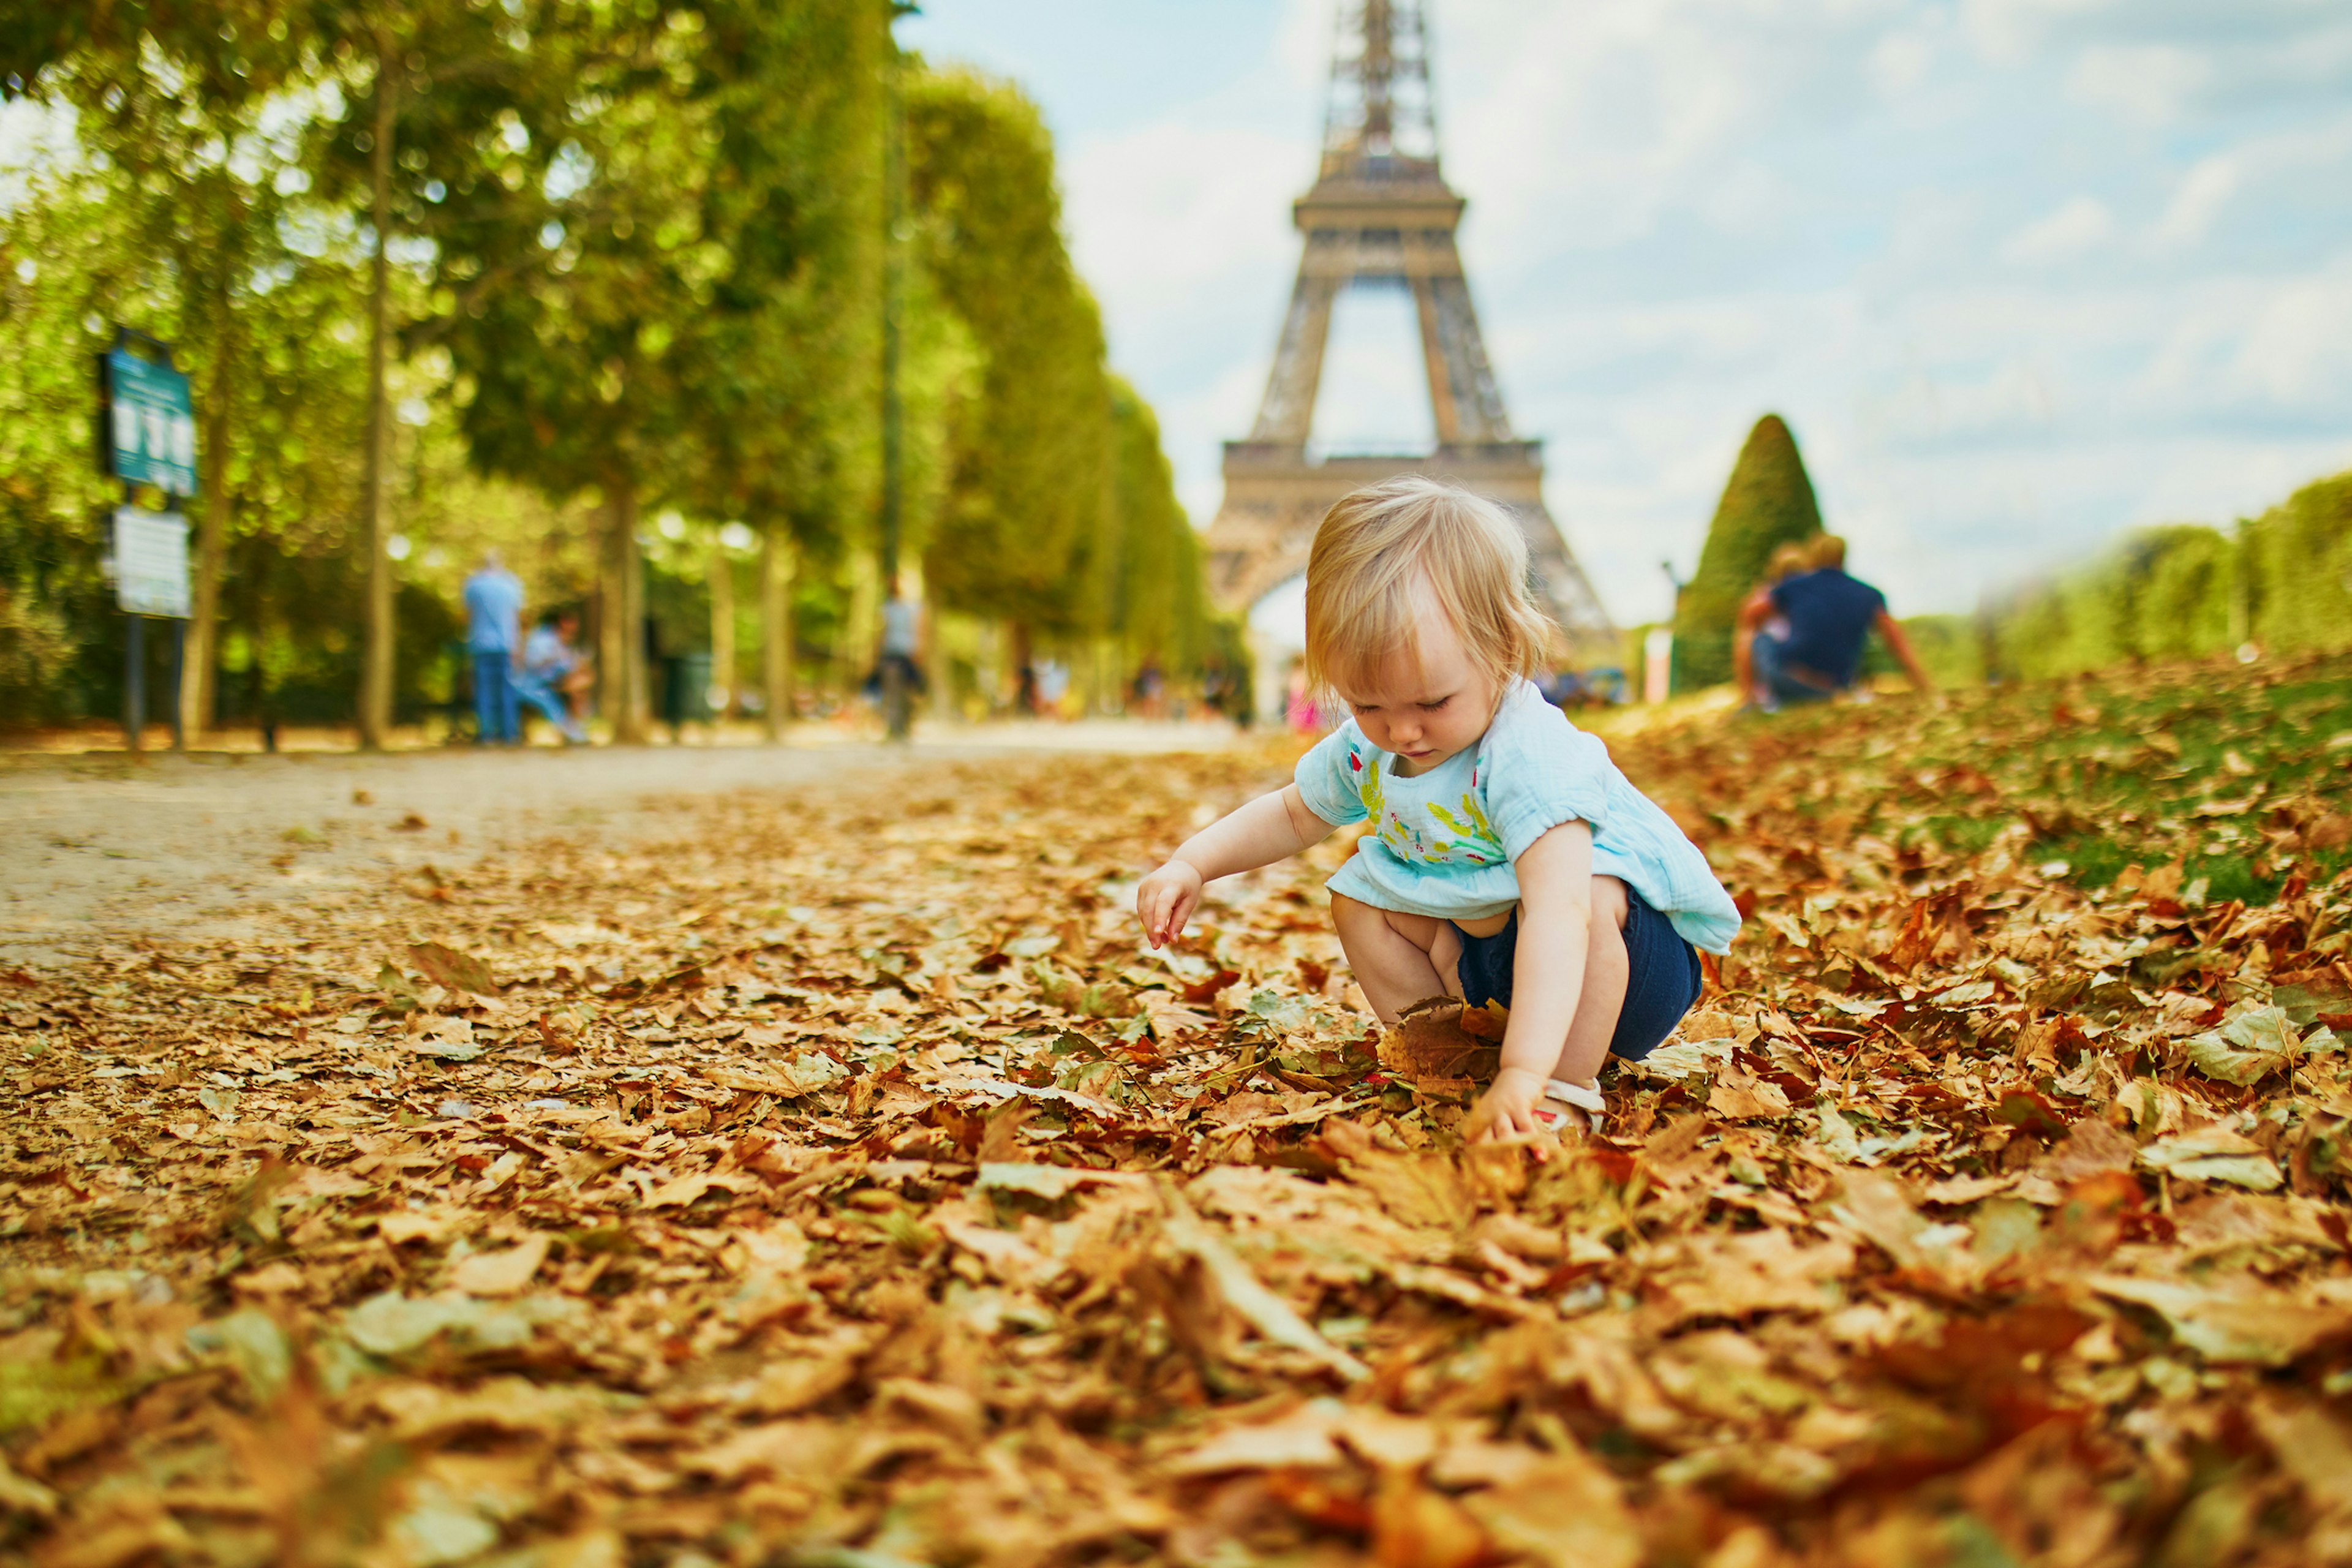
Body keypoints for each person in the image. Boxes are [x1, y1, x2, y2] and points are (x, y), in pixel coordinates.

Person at [1135, 477, 1740, 1139]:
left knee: (1591, 892)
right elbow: (1292, 814)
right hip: (1492, 964)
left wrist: (1527, 1068)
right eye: (1368, 705)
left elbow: (1559, 917)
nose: (1403, 732)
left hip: (1622, 971)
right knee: (1358, 896)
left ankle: (1560, 1088)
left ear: (1503, 651)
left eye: (1431, 704)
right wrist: (1192, 864)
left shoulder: (1528, 754)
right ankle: (1442, 1047)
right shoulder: (1373, 748)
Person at [1733, 535, 1932, 710]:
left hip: (1787, 681)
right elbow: (1898, 644)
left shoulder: (1795, 586)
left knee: (1760, 638)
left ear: (1814, 557)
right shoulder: (1868, 594)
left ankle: (1749, 701)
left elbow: (1749, 614)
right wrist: (1925, 687)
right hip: (1836, 687)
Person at [462, 551, 524, 746]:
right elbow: (516, 618)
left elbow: (468, 615)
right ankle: (509, 735)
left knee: (483, 691)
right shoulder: (512, 585)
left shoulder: (474, 585)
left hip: (481, 645)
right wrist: (518, 646)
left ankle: (486, 735)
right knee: (508, 691)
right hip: (506, 645)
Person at [517, 611, 589, 744]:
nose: (575, 628)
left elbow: (567, 666)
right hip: (532, 686)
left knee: (580, 686)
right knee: (560, 697)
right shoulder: (542, 639)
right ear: (562, 622)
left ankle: (576, 729)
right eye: (572, 623)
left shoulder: (561, 641)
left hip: (550, 684)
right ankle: (571, 732)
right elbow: (533, 663)